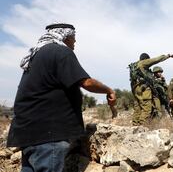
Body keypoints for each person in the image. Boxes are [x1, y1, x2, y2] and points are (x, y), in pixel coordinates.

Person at [7, 23, 117, 172]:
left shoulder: (36, 56)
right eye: (74, 38)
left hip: (27, 134)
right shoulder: (60, 52)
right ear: (65, 37)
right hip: (49, 134)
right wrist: (109, 90)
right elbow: (87, 82)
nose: (75, 43)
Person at [131, 53, 173, 125]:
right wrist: (168, 56)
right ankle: (141, 126)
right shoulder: (143, 63)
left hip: (136, 88)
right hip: (144, 88)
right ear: (146, 59)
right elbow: (156, 60)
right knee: (147, 108)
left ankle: (135, 125)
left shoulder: (135, 65)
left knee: (138, 107)